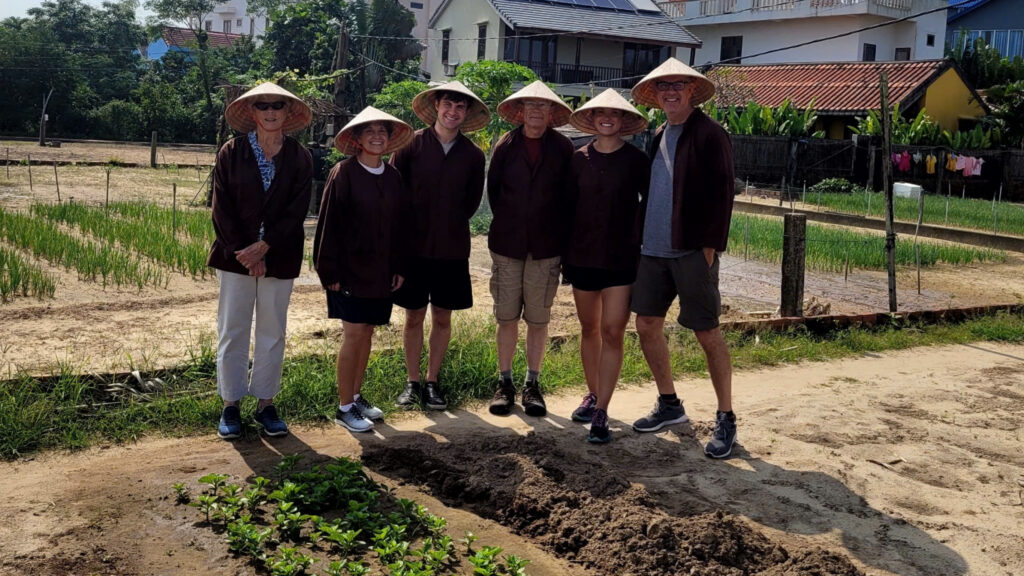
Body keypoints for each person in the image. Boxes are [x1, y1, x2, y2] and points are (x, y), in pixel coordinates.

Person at [628, 58, 738, 458]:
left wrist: (709, 247)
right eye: (664, 86)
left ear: (692, 90)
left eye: (678, 85)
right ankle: (669, 403)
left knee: (706, 331)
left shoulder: (710, 134)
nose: (671, 92)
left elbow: (723, 192)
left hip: (692, 250)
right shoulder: (658, 133)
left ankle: (726, 416)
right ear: (655, 94)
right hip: (653, 250)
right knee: (646, 324)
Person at [208, 83, 313, 439]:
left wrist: (265, 247)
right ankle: (230, 404)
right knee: (232, 329)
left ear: (288, 112)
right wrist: (246, 251)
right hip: (235, 256)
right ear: (252, 112)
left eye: (277, 105)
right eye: (263, 106)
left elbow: (296, 210)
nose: (270, 111)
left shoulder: (300, 157)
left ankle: (266, 403)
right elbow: (221, 207)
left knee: (272, 330)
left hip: (279, 256)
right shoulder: (231, 152)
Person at [313, 107, 414, 433]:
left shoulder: (393, 177)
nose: (376, 136)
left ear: (389, 138)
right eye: (369, 131)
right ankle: (344, 408)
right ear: (357, 138)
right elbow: (328, 224)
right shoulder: (343, 173)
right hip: (348, 271)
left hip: (381, 270)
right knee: (354, 334)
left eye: (382, 131)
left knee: (368, 332)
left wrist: (398, 266)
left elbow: (400, 228)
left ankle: (355, 396)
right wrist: (329, 271)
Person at [390, 81, 489, 411]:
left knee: (443, 317)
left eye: (460, 107)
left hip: (451, 249)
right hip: (413, 249)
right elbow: (395, 191)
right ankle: (412, 382)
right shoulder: (410, 145)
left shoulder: (473, 155)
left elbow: (470, 203)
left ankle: (433, 381)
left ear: (467, 113)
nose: (453, 111)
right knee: (413, 316)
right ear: (436, 106)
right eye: (448, 104)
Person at [563, 89, 650, 443]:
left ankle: (602, 410)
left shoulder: (637, 160)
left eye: (614, 114)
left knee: (613, 330)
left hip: (621, 258)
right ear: (593, 119)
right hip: (582, 255)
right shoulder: (577, 159)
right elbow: (567, 207)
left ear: (624, 120)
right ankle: (593, 393)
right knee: (589, 329)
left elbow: (648, 205)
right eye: (601, 113)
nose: (607, 118)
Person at [486, 80, 574, 417]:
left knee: (538, 319)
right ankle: (504, 382)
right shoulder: (505, 147)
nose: (536, 111)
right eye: (531, 105)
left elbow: (568, 198)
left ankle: (532, 385)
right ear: (520, 111)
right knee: (506, 317)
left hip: (546, 248)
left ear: (552, 112)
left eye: (543, 105)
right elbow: (495, 193)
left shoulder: (563, 148)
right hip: (507, 246)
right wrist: (514, 222)